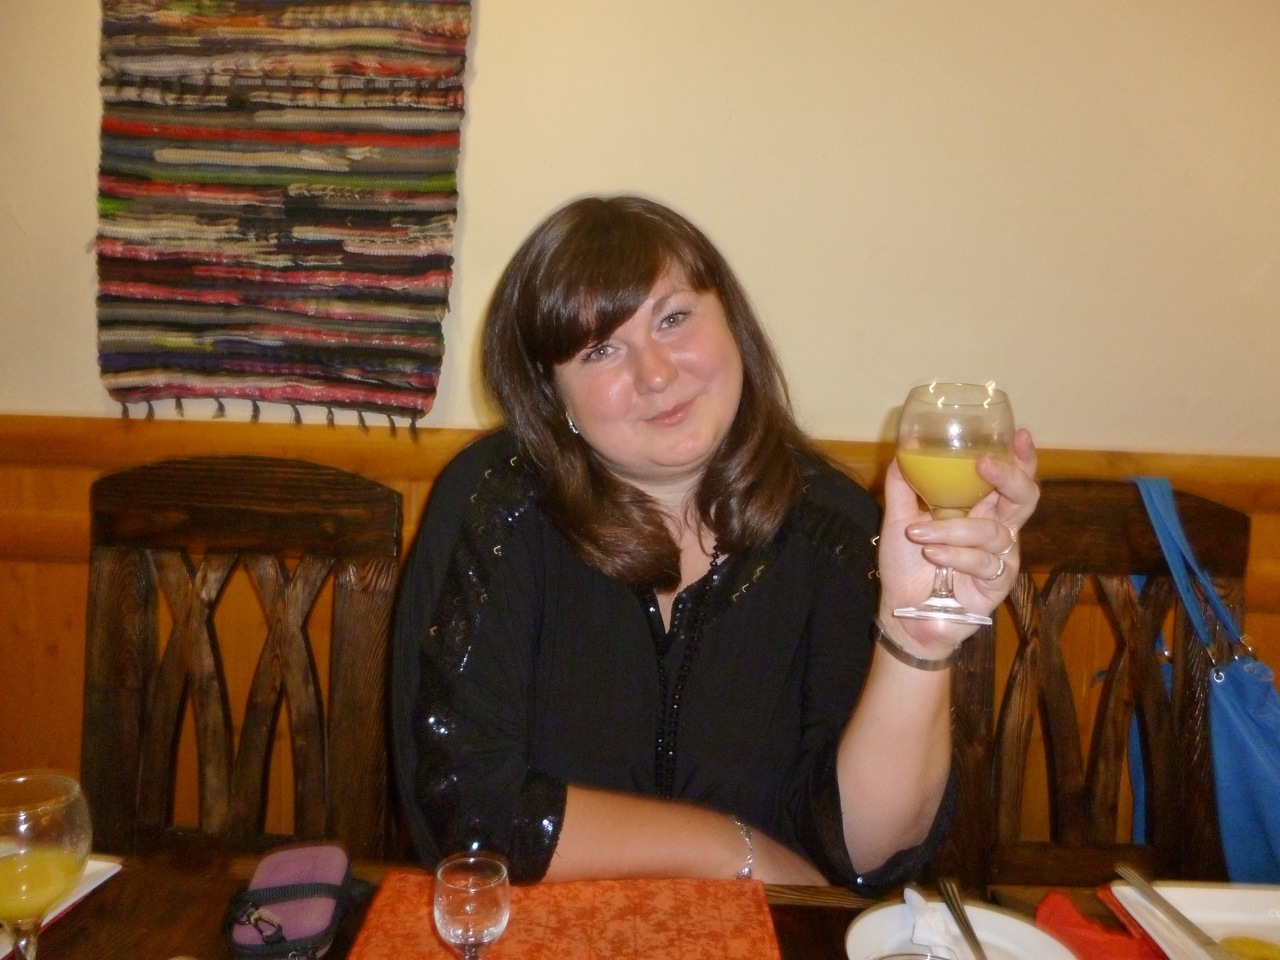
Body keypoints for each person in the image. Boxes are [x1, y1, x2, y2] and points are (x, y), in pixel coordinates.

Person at [390, 194, 1039, 893]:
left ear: (732, 324)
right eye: (601, 349)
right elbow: (467, 809)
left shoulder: (834, 529)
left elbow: (866, 854)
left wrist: (918, 641)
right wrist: (728, 850)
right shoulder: (494, 508)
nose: (656, 373)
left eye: (673, 318)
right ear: (553, 398)